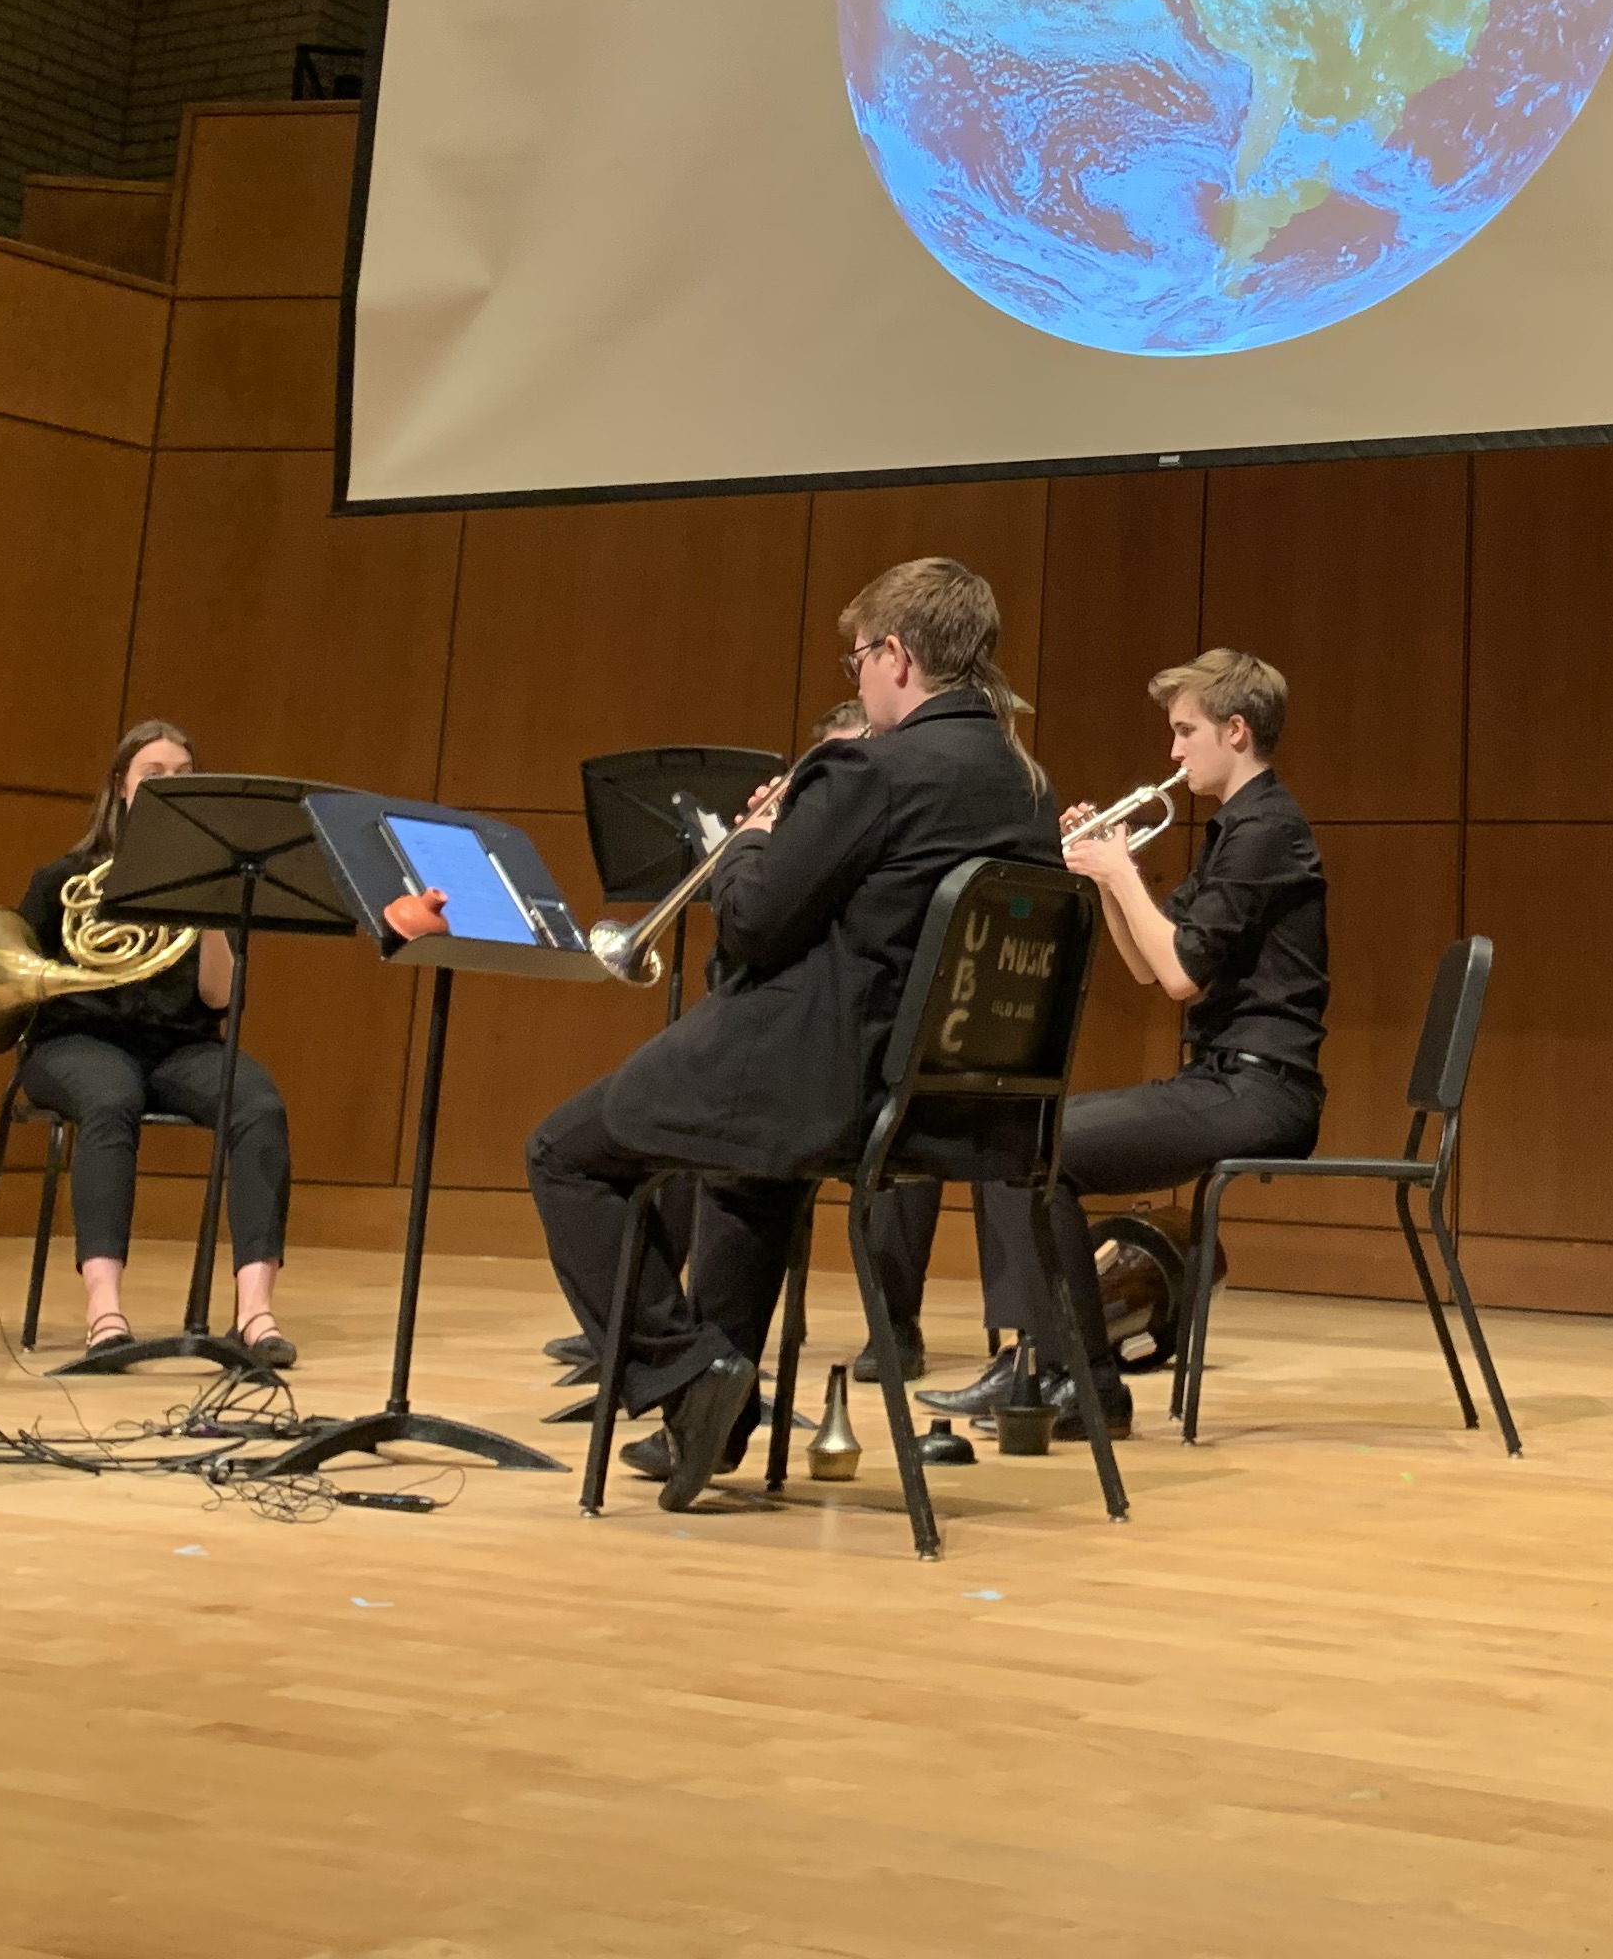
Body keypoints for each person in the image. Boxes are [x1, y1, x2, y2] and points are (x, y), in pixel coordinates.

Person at [525, 560, 1059, 1508]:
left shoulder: (871, 766)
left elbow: (757, 923)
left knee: (564, 1152)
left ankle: (685, 1379)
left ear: (896, 655)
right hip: (942, 1097)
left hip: (821, 1074)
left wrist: (750, 841)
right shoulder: (1022, 787)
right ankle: (715, 1415)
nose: (856, 678)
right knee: (744, 1167)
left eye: (859, 658)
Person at [906, 648, 1327, 1442]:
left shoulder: (1267, 831)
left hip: (1261, 1093)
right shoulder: (1236, 830)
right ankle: (1049, 1361)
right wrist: (1109, 877)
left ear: (1236, 732)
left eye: (1184, 732)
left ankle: (1079, 1381)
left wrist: (1120, 872)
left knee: (1035, 1151)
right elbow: (1146, 964)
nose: (1172, 753)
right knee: (1017, 1137)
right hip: (1220, 1079)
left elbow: (1178, 978)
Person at [9, 720, 296, 1370]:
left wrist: (214, 903)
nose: (171, 787)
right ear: (121, 786)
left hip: (178, 1046)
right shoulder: (64, 880)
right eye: (155, 776)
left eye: (184, 777)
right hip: (75, 1042)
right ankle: (104, 1311)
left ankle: (255, 1311)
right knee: (110, 1100)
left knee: (259, 1104)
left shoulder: (205, 884)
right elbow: (18, 983)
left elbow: (220, 999)